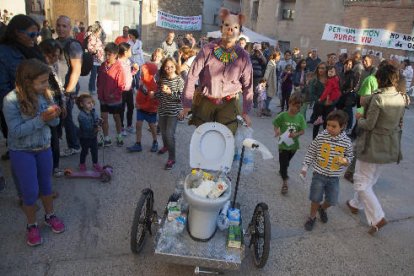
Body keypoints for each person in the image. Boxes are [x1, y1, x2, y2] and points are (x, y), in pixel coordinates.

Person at [3, 59, 65, 246]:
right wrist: (41, 119)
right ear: (27, 81)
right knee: (29, 192)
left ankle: (50, 215)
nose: (46, 85)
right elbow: (15, 132)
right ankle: (31, 225)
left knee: (46, 187)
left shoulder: (45, 95)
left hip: (44, 148)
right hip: (22, 152)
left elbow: (53, 124)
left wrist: (56, 115)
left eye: (47, 81)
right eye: (42, 81)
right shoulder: (11, 100)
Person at [346, 63, 406, 235]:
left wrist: (359, 118)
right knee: (370, 179)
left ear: (380, 78)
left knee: (360, 180)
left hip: (371, 143)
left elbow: (369, 124)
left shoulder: (378, 98)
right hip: (389, 144)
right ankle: (355, 204)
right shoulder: (401, 97)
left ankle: (378, 217)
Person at [181, 8, 253, 134]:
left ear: (240, 32)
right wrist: (187, 104)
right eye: (227, 25)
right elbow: (191, 76)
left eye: (235, 27)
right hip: (206, 101)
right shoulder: (207, 50)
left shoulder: (243, 56)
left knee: (226, 138)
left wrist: (246, 111)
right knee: (203, 137)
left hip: (230, 103)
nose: (230, 29)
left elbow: (248, 86)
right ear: (221, 29)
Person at [0, 14, 44, 161]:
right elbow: (3, 89)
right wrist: (24, 105)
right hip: (21, 109)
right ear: (17, 33)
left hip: (39, 106)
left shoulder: (34, 49)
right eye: (32, 34)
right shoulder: (4, 53)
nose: (35, 38)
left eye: (37, 34)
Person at [301, 110, 353, 231]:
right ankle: (312, 217)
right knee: (315, 198)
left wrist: (345, 160)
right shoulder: (322, 136)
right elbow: (311, 151)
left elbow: (350, 157)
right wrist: (305, 167)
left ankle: (322, 208)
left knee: (332, 200)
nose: (329, 128)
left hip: (334, 177)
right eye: (328, 125)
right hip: (319, 174)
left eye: (334, 126)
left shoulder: (346, 141)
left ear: (343, 126)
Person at [39, 39, 67, 177]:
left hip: (57, 109)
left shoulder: (53, 68)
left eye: (57, 55)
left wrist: (64, 105)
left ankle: (54, 166)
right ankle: (50, 167)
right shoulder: (38, 70)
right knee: (51, 141)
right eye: (52, 56)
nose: (55, 59)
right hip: (47, 112)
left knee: (56, 138)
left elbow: (59, 88)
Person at [55, 15, 82, 157]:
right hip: (56, 87)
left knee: (66, 118)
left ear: (70, 28)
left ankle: (74, 146)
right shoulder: (55, 43)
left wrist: (69, 91)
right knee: (63, 117)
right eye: (58, 25)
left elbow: (76, 70)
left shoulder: (73, 45)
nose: (60, 28)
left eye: (64, 26)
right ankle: (81, 136)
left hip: (67, 88)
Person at [127, 49, 160, 153]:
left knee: (152, 126)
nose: (141, 73)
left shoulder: (154, 86)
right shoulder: (143, 80)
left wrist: (141, 106)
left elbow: (153, 102)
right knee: (138, 125)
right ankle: (138, 143)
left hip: (150, 110)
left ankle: (155, 141)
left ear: (150, 73)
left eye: (144, 71)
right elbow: (141, 93)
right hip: (141, 107)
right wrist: (138, 102)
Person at [273, 93, 306, 195]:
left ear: (300, 108)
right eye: (292, 105)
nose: (293, 108)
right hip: (283, 145)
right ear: (289, 103)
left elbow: (303, 131)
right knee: (284, 164)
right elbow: (275, 123)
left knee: (286, 163)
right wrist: (277, 131)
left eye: (297, 107)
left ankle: (283, 170)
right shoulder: (283, 115)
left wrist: (296, 134)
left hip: (293, 146)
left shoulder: (300, 118)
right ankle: (285, 182)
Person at [156, 57, 184, 170]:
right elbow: (160, 94)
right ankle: (166, 146)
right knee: (163, 132)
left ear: (175, 67)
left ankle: (172, 158)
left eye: (172, 66)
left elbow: (181, 98)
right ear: (163, 68)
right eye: (167, 67)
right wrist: (155, 95)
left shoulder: (179, 80)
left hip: (173, 112)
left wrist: (170, 92)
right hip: (162, 110)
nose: (169, 69)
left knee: (169, 134)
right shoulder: (163, 79)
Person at [97, 42, 127, 147]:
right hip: (103, 98)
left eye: (109, 54)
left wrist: (113, 95)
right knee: (104, 118)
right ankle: (106, 138)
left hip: (114, 99)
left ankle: (119, 135)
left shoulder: (119, 68)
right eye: (106, 54)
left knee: (116, 117)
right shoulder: (102, 66)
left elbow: (122, 85)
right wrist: (99, 91)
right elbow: (99, 79)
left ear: (115, 55)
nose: (107, 56)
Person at [76, 94, 103, 172]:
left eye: (92, 102)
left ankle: (95, 163)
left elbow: (96, 119)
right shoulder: (81, 116)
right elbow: (86, 128)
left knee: (94, 150)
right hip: (84, 137)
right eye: (88, 103)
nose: (91, 104)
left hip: (93, 136)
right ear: (82, 104)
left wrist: (99, 121)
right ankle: (82, 163)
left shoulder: (93, 111)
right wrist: (96, 128)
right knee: (85, 151)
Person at [118, 42, 139, 135]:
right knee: (121, 109)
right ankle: (121, 127)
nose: (131, 51)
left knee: (131, 107)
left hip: (129, 88)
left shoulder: (128, 61)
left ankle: (129, 125)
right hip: (121, 90)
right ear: (125, 52)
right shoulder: (118, 63)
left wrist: (135, 70)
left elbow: (129, 74)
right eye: (130, 50)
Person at [337, 58, 357, 131]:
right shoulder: (341, 73)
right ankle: (340, 124)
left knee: (348, 111)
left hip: (348, 95)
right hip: (340, 94)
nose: (348, 66)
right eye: (347, 64)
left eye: (350, 65)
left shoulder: (352, 74)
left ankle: (348, 127)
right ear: (344, 64)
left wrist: (345, 92)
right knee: (339, 110)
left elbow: (352, 87)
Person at [87, 23, 105, 95]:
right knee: (93, 76)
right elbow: (90, 48)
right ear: (96, 31)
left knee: (100, 75)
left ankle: (99, 88)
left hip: (99, 60)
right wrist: (96, 51)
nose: (100, 33)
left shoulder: (97, 38)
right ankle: (91, 89)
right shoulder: (91, 38)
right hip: (94, 60)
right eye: (100, 31)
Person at [262, 51, 280, 116]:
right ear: (276, 56)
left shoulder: (273, 63)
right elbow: (267, 72)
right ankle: (265, 109)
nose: (279, 58)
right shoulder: (271, 63)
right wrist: (265, 80)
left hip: (271, 81)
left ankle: (266, 108)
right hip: (269, 82)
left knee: (269, 96)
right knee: (268, 96)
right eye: (279, 56)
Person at [251, 43, 267, 108]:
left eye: (259, 50)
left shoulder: (261, 57)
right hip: (251, 76)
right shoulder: (251, 56)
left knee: (257, 90)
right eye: (256, 50)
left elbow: (265, 62)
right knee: (252, 90)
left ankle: (255, 102)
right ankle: (252, 101)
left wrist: (261, 54)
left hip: (258, 77)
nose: (257, 52)